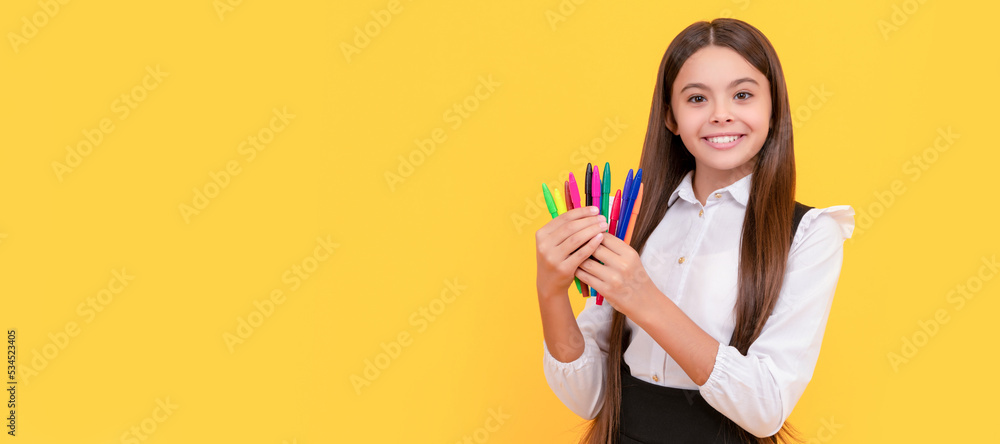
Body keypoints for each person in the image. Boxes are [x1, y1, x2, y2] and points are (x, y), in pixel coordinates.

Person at [534, 18, 855, 444]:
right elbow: (589, 397)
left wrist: (643, 299)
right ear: (671, 116)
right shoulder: (636, 220)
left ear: (773, 107)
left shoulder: (810, 235)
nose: (721, 114)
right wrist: (550, 291)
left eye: (742, 95)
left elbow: (765, 409)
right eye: (697, 98)